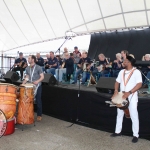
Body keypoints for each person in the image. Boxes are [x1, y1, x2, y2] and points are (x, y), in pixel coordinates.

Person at [110, 56, 142, 143]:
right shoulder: (121, 72)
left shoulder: (136, 72)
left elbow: (139, 84)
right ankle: (117, 131)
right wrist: (116, 90)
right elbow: (117, 82)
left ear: (130, 62)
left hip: (132, 96)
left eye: (125, 61)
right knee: (119, 113)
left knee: (134, 115)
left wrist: (130, 92)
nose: (123, 62)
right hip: (122, 95)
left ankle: (135, 135)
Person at [22, 55, 44, 121]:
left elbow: (42, 77)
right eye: (28, 58)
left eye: (29, 58)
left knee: (38, 100)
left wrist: (37, 81)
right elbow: (27, 77)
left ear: (33, 60)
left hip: (37, 86)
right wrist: (23, 83)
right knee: (29, 100)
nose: (28, 60)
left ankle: (39, 115)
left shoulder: (38, 67)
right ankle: (29, 114)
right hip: (30, 85)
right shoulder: (27, 68)